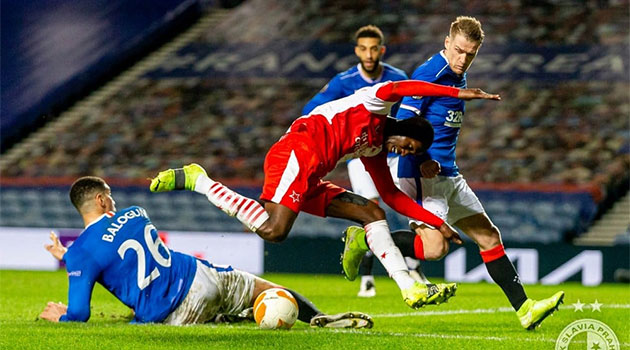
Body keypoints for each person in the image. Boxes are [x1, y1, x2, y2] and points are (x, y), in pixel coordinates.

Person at [150, 79, 500, 310]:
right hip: (297, 151)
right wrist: (459, 95)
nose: (405, 152)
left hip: (312, 171)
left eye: (411, 152)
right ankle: (199, 180)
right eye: (408, 145)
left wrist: (436, 223)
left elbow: (391, 196)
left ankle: (410, 288)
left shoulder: (376, 151)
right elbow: (405, 85)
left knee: (373, 214)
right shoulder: (374, 104)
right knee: (275, 231)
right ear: (404, 129)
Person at [341, 16, 564, 330]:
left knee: (489, 237)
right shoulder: (430, 74)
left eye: (470, 54)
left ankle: (525, 309)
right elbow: (402, 130)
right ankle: (366, 240)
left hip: (448, 174)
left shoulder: (458, 78)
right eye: (459, 50)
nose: (463, 59)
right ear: (447, 42)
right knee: (434, 249)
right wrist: (419, 161)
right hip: (420, 175)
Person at [39, 176, 373, 328]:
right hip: (202, 274)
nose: (113, 200)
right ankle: (318, 318)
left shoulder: (82, 253)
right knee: (270, 290)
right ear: (100, 200)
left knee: (201, 326)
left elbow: (80, 312)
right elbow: (115, 248)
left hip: (177, 310)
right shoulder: (136, 213)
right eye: (109, 195)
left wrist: (61, 316)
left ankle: (230, 319)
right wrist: (71, 256)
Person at [302, 24, 424, 299]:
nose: (369, 54)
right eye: (363, 49)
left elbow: (411, 113)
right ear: (357, 51)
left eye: (374, 49)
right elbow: (310, 110)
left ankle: (414, 265)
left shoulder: (397, 77)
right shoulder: (343, 82)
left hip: (393, 154)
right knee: (371, 210)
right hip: (360, 156)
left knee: (411, 209)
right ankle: (368, 278)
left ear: (382, 50)